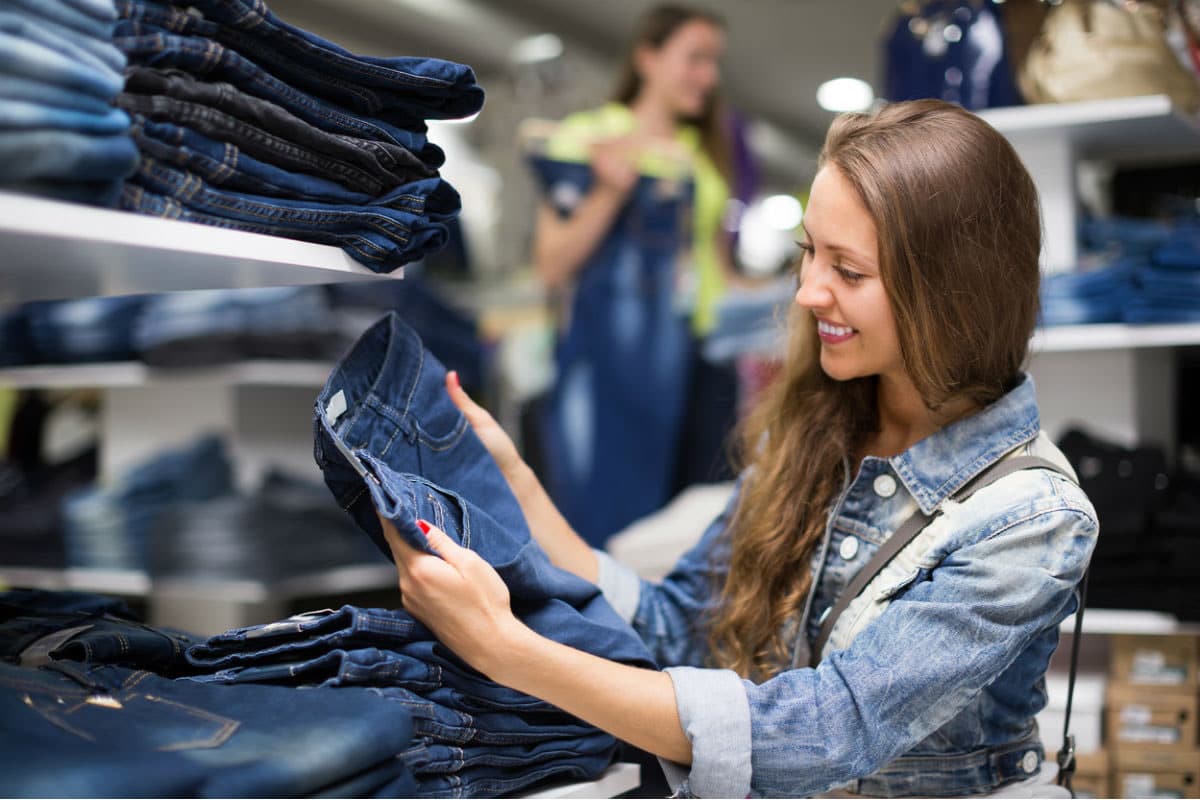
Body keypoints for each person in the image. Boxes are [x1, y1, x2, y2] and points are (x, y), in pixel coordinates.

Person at [378, 99, 1098, 798]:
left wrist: (506, 651)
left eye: (849, 271)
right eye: (809, 253)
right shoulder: (818, 435)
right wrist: (515, 484)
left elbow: (823, 732)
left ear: (955, 294)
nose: (810, 292)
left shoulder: (1031, 518)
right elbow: (679, 628)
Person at [528, 4, 745, 548]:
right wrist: (610, 189)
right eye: (695, 58)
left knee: (684, 533)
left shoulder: (703, 158)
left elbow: (718, 273)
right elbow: (552, 266)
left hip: (700, 363)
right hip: (611, 365)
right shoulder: (590, 137)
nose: (708, 77)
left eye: (714, 62)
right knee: (605, 521)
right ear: (647, 57)